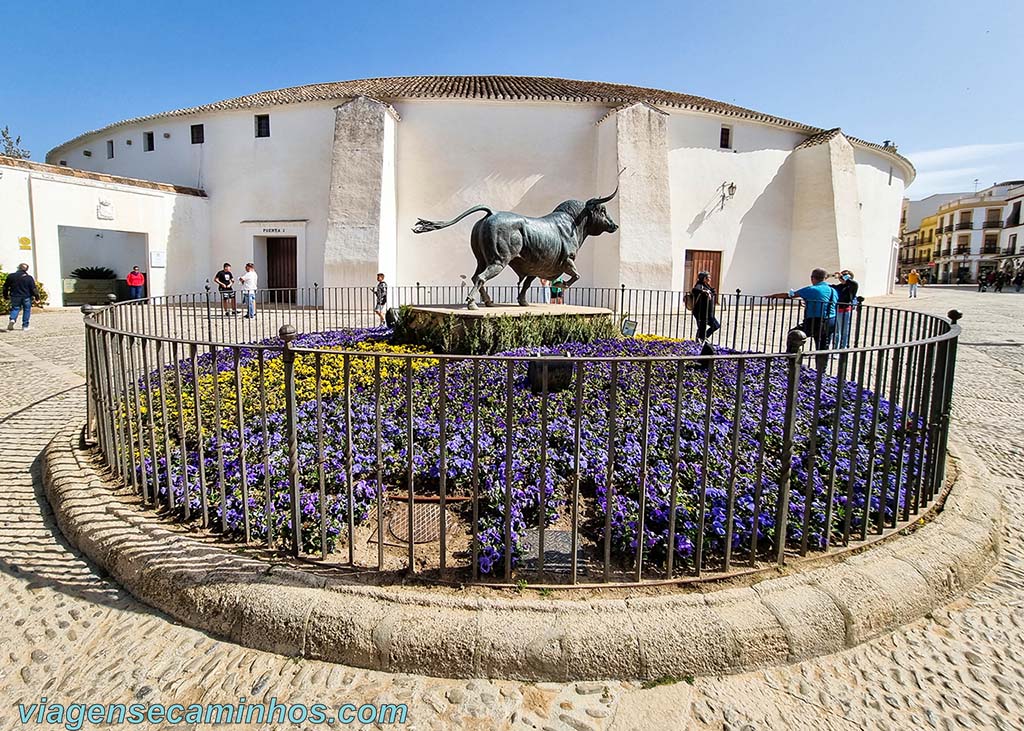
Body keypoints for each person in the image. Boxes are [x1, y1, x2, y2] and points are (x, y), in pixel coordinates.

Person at [769, 267, 838, 370]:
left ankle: (791, 361)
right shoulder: (833, 291)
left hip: (816, 320)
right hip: (831, 320)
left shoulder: (811, 289)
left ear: (812, 278)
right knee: (823, 346)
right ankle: (821, 371)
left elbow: (790, 295)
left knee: (794, 334)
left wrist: (774, 296)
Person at [4, 263, 38, 331]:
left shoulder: (11, 276)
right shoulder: (29, 277)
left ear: (18, 268)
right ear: (26, 269)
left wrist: (5, 295)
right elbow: (33, 289)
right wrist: (37, 297)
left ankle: (12, 319)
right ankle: (25, 326)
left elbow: (5, 287)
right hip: (26, 296)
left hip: (15, 295)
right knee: (27, 310)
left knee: (15, 308)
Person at [830, 269, 859, 349]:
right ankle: (835, 348)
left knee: (844, 331)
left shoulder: (852, 286)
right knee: (836, 331)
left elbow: (852, 283)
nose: (841, 278)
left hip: (845, 311)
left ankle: (843, 347)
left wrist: (843, 276)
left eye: (844, 276)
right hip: (836, 310)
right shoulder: (840, 286)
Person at [690, 271, 720, 342]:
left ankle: (704, 337)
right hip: (701, 312)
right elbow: (695, 290)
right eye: (708, 277)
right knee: (701, 327)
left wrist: (711, 291)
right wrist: (704, 291)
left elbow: (713, 293)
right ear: (703, 278)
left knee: (716, 325)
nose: (709, 279)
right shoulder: (699, 285)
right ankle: (700, 339)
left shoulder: (706, 285)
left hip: (708, 313)